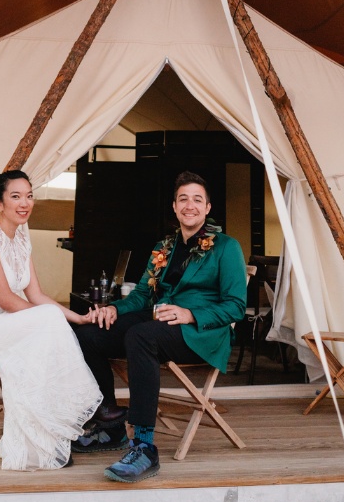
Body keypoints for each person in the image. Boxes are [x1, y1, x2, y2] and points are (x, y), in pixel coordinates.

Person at [72, 171, 247, 483]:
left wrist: (190, 313)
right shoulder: (164, 246)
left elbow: (235, 305)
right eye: (183, 199)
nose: (189, 205)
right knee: (87, 335)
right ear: (175, 206)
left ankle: (144, 446)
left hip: (201, 331)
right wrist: (112, 308)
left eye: (197, 199)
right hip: (159, 323)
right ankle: (111, 421)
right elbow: (141, 295)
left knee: (141, 336)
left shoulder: (226, 247)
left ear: (207, 208)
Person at [0, 169, 103, 471]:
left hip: (4, 328)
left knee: (38, 337)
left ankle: (45, 442)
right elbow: (5, 299)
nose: (24, 203)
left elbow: (37, 295)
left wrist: (77, 318)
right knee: (44, 326)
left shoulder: (20, 238)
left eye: (29, 195)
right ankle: (79, 413)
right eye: (15, 196)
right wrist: (51, 320)